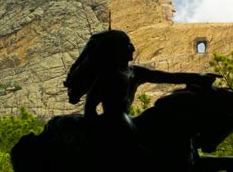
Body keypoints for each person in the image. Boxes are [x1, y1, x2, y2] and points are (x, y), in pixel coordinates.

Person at [63, 30, 221, 119]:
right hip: (113, 125)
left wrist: (197, 77)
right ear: (116, 50)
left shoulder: (135, 71)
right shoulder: (108, 75)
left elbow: (167, 77)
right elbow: (90, 107)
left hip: (127, 119)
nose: (132, 47)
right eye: (127, 45)